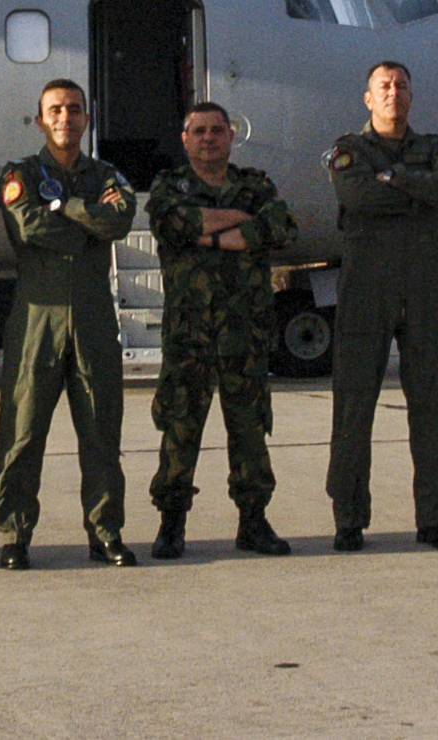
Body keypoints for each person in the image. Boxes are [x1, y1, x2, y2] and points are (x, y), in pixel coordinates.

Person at [0, 79, 140, 569]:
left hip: (94, 318)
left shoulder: (106, 176)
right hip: (38, 317)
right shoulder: (21, 173)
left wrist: (67, 208)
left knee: (101, 430)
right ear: (40, 120)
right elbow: (26, 225)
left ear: (86, 119)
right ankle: (14, 533)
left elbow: (118, 221)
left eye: (74, 109)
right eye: (55, 110)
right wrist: (84, 228)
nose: (65, 118)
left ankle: (105, 531)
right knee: (23, 431)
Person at [325, 61, 438, 550]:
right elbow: (356, 195)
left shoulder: (435, 146)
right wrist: (415, 187)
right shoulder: (350, 149)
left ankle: (435, 517)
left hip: (423, 286)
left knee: (431, 405)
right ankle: (349, 518)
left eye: (401, 85)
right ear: (368, 98)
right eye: (383, 87)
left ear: (412, 95)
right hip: (366, 287)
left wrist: (392, 178)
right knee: (353, 407)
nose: (393, 93)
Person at [143, 101, 297, 559]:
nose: (209, 138)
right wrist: (240, 225)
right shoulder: (170, 186)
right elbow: (173, 221)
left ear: (231, 137)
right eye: (199, 131)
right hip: (189, 335)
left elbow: (282, 226)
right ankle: (171, 523)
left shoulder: (255, 184)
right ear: (186, 139)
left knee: (249, 431)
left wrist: (205, 234)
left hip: (245, 334)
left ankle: (254, 521)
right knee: (179, 429)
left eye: (217, 131)